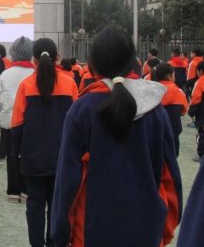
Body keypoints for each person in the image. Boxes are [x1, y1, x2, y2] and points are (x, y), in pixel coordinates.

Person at [51, 28, 182, 247]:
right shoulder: (156, 112)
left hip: (90, 234)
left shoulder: (82, 110)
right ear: (134, 62)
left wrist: (61, 234)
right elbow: (170, 179)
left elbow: (68, 181)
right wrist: (162, 231)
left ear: (92, 64)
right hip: (146, 232)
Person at [11, 38, 78, 247]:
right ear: (57, 57)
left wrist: (18, 154)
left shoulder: (26, 85)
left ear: (34, 59)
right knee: (57, 207)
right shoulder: (70, 83)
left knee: (35, 206)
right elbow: (76, 123)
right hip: (62, 158)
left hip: (32, 158)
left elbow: (17, 124)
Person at [0, 37, 34, 201]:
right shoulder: (36, 74)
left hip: (9, 122)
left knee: (12, 157)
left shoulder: (5, 75)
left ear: (13, 53)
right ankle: (26, 189)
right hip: (30, 124)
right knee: (27, 155)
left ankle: (13, 191)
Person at [155, 63, 188, 157]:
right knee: (173, 154)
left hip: (156, 129)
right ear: (170, 75)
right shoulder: (179, 92)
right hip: (173, 129)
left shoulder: (153, 90)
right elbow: (183, 111)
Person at [189, 61, 204, 163]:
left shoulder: (200, 82)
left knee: (201, 133)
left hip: (202, 112)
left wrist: (191, 111)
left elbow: (196, 98)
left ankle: (201, 155)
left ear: (200, 71)